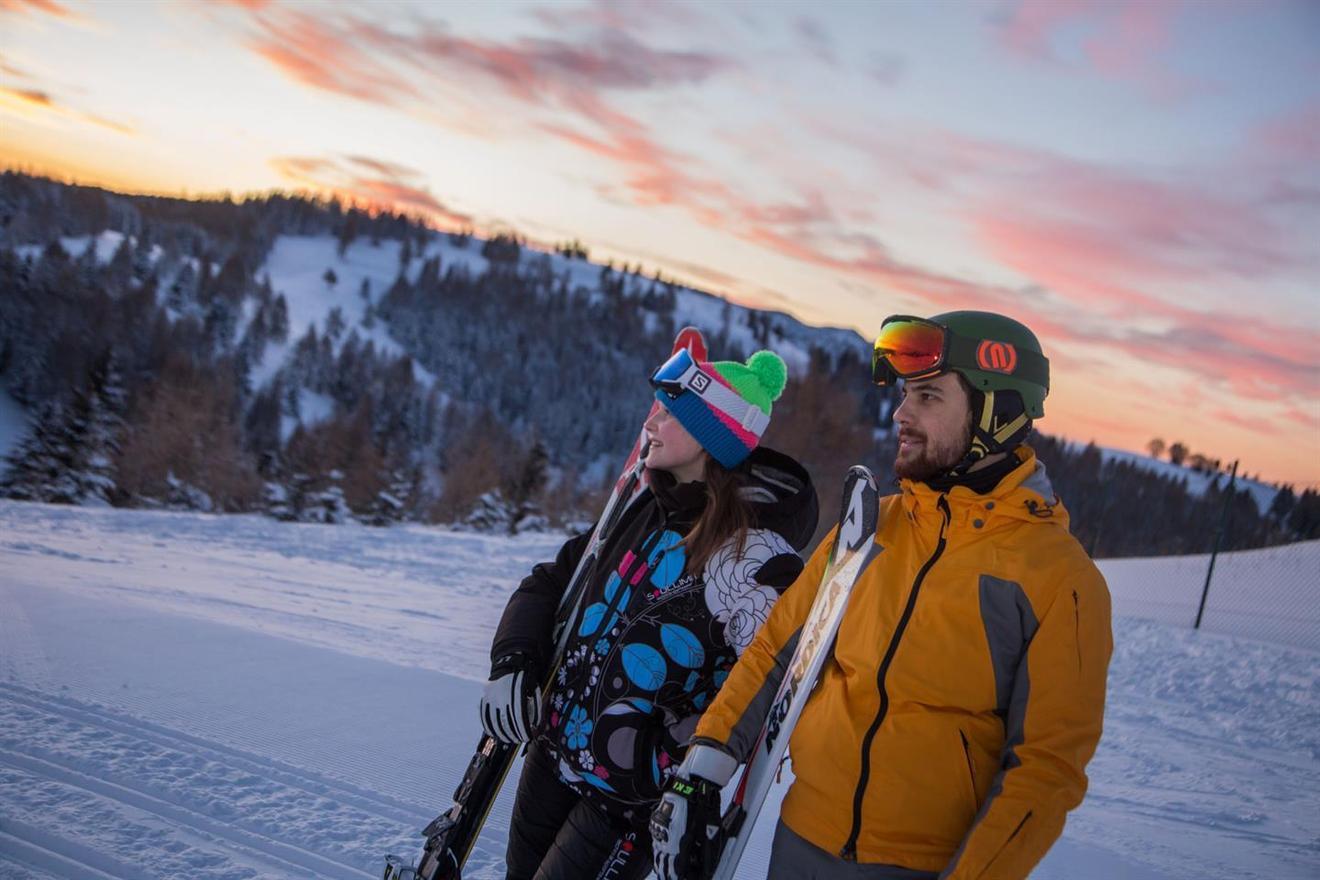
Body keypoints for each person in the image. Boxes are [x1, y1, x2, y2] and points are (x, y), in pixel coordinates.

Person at [651, 311, 1113, 880]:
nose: (901, 413)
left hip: (921, 865)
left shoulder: (1058, 579)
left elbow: (1045, 768)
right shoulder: (869, 527)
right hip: (797, 839)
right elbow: (778, 650)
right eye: (904, 395)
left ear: (999, 412)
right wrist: (701, 767)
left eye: (927, 396)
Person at [481, 348, 820, 880]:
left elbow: (761, 686)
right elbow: (556, 579)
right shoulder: (648, 506)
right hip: (552, 757)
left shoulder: (757, 557)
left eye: (668, 412)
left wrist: (658, 761)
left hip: (626, 803)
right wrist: (514, 656)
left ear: (710, 433)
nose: (652, 422)